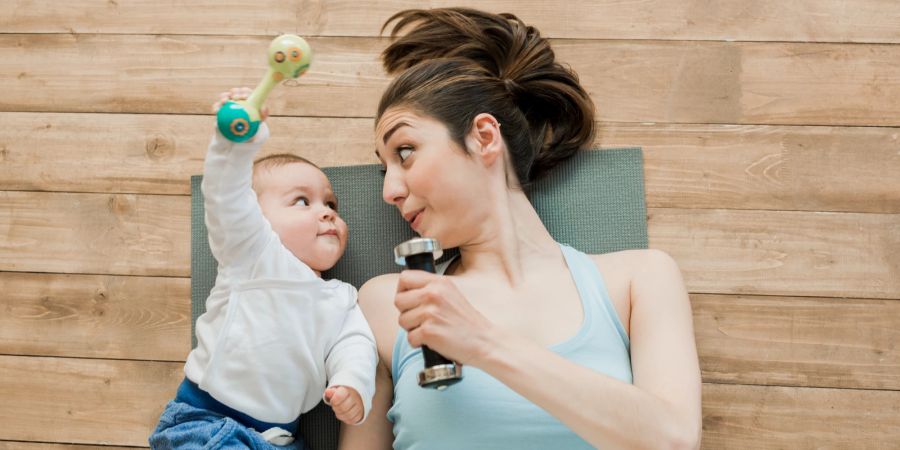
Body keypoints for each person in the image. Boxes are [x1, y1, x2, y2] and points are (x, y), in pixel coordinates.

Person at [339, 8, 702, 450]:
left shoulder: (638, 280)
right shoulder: (385, 302)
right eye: (384, 171)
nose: (390, 191)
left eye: (406, 151)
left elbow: (674, 441)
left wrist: (482, 343)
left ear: (485, 137)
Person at [149, 88, 378, 449]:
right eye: (302, 201)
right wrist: (235, 143)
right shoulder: (253, 253)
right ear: (258, 218)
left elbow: (355, 345)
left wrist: (352, 383)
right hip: (209, 422)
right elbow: (226, 196)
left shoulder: (342, 298)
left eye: (331, 202)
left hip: (281, 440)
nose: (327, 211)